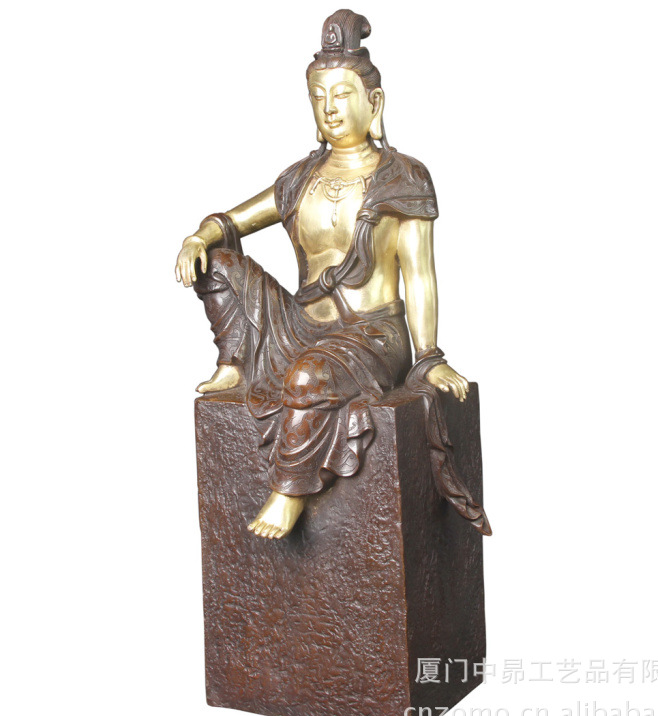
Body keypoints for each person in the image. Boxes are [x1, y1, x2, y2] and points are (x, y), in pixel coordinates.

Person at [175, 9, 490, 539]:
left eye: (343, 94)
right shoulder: (300, 178)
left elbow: (420, 276)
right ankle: (235, 362)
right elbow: (235, 222)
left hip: (370, 336)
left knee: (308, 376)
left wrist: (429, 356)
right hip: (301, 326)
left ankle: (289, 490)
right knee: (220, 265)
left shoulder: (404, 179)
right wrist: (199, 237)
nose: (330, 108)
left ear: (375, 102)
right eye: (318, 96)